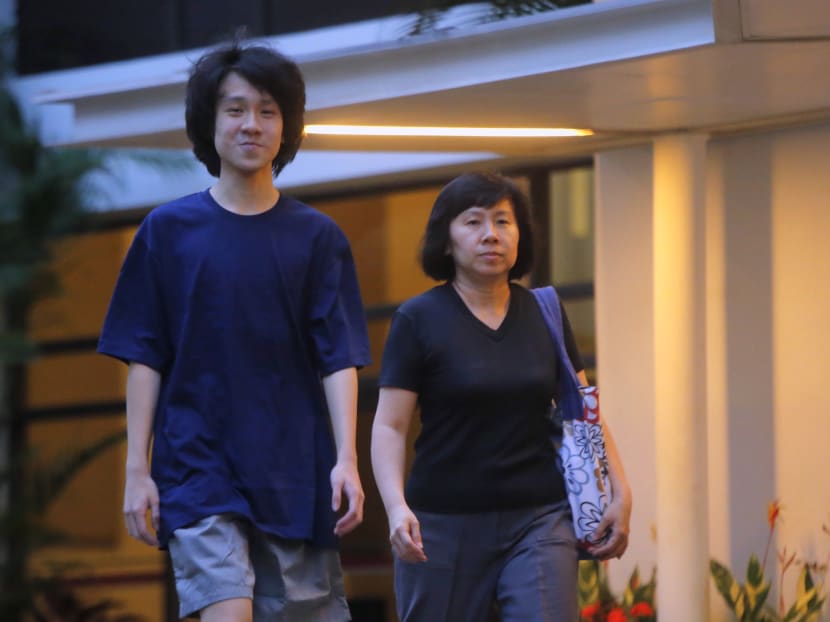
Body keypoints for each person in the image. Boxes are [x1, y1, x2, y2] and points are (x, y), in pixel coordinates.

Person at [98, 39, 371, 622]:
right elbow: (145, 357)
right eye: (236, 109)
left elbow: (338, 358)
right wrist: (137, 470)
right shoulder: (167, 232)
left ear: (286, 127)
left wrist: (347, 459)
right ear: (209, 122)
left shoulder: (318, 238)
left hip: (293, 470)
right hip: (197, 469)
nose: (252, 124)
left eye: (268, 111)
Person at [370, 172, 632, 622]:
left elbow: (583, 413)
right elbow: (390, 426)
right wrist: (396, 508)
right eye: (473, 222)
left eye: (502, 221)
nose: (490, 234)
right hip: (443, 524)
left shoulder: (545, 312)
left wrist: (621, 492)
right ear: (447, 240)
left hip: (539, 518)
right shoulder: (418, 319)